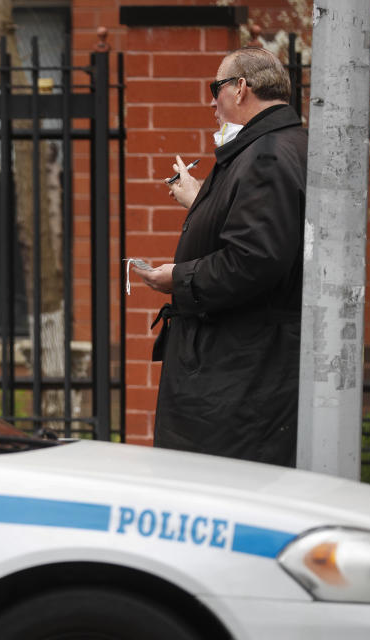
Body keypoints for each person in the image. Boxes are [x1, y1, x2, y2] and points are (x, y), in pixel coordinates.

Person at [133, 47, 308, 466]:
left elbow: (254, 260)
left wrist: (177, 278)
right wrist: (198, 200)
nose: (212, 102)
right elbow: (255, 230)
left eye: (216, 88)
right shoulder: (279, 146)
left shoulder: (265, 154)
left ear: (240, 88)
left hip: (238, 376)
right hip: (241, 370)